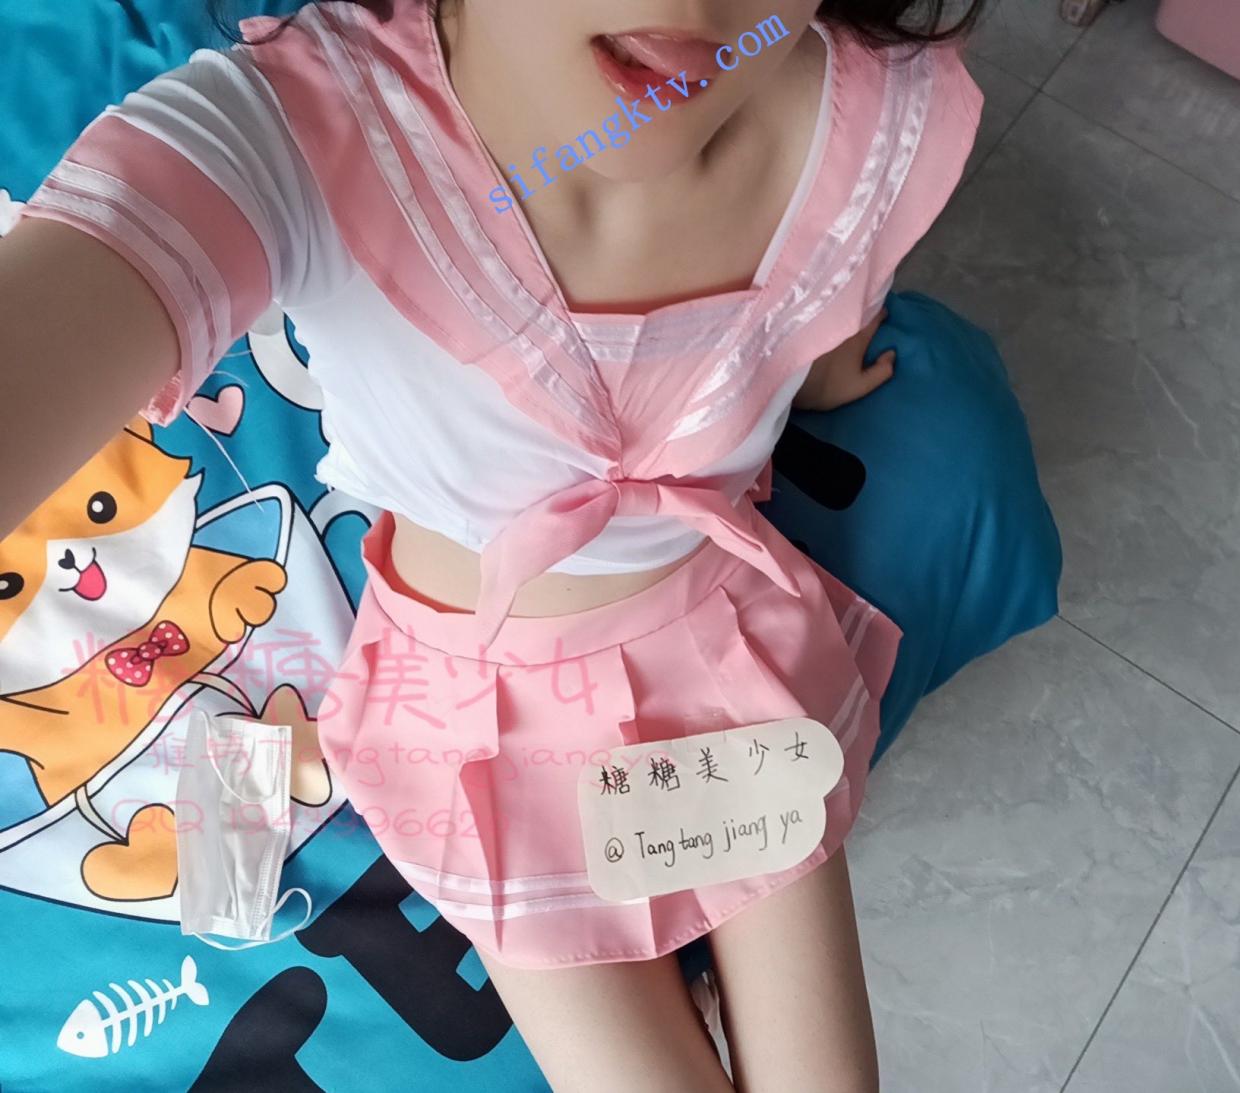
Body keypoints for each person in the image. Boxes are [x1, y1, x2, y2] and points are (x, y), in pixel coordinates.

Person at [0, 0, 987, 1088]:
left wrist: (827, 362)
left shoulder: (860, 104)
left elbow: (842, 270)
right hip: (477, 731)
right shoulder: (306, 133)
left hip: (724, 660)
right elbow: (126, 239)